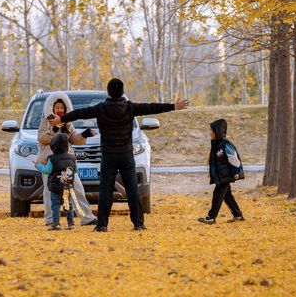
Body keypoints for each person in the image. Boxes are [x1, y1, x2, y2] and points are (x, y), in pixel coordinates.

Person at [50, 77, 189, 231]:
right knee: (132, 189)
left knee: (105, 190)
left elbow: (80, 113)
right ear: (123, 92)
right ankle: (138, 223)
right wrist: (173, 106)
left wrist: (61, 118)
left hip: (108, 155)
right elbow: (151, 107)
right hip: (126, 155)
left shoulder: (100, 108)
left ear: (108, 93)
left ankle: (102, 225)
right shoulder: (130, 107)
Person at [37, 92, 97, 226]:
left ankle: (87, 217)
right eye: (57, 107)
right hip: (50, 162)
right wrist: (54, 129)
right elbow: (42, 139)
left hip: (66, 163)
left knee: (77, 189)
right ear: (52, 108)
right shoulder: (46, 122)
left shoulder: (67, 123)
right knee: (50, 191)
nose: (60, 110)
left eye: (62, 108)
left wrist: (85, 134)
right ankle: (51, 219)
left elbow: (74, 139)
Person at [199, 119, 245, 225]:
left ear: (217, 131)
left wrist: (236, 172)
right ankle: (238, 215)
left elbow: (234, 158)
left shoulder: (225, 144)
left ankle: (211, 217)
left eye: (211, 130)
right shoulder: (216, 144)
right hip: (221, 176)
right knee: (227, 195)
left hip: (226, 175)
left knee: (217, 194)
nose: (210, 133)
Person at [36, 132, 77, 231]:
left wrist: (38, 166)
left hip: (55, 187)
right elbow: (75, 170)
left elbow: (47, 170)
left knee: (55, 205)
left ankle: (56, 224)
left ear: (53, 146)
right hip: (68, 186)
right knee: (68, 205)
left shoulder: (52, 158)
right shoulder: (72, 157)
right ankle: (71, 224)